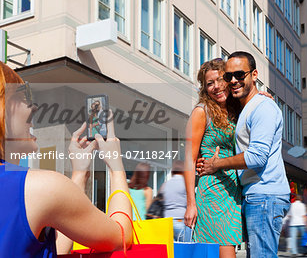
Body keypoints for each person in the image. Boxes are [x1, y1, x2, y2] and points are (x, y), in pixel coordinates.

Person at [0, 62, 132, 256]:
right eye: (21, 97)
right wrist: (116, 167)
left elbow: (52, 249)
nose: (34, 107)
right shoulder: (39, 187)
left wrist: (79, 173)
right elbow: (121, 236)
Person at [197, 51, 291, 258]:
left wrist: (217, 164)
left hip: (265, 195)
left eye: (240, 75)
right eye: (228, 76)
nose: (233, 81)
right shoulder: (246, 108)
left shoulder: (262, 107)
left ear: (254, 74)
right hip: (256, 195)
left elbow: (257, 157)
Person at [184, 58, 242, 258]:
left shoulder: (235, 110)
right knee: (224, 252)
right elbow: (189, 160)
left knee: (228, 249)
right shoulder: (202, 112)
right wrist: (191, 204)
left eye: (219, 80)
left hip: (233, 192)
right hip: (213, 191)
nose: (216, 87)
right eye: (210, 83)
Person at [161, 160, 192, 242]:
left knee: (172, 252)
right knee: (186, 250)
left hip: (167, 222)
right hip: (181, 220)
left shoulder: (165, 184)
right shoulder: (186, 184)